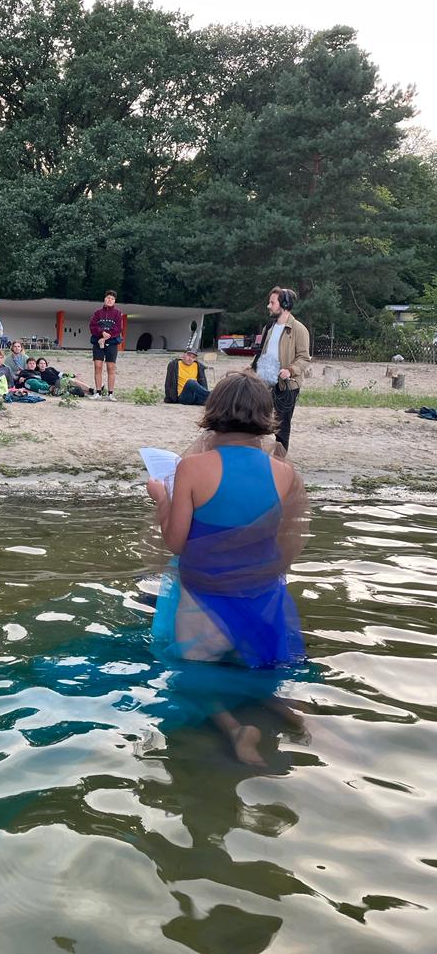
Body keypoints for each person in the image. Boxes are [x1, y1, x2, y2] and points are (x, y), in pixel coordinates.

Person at [146, 371, 308, 765]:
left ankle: (235, 730)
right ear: (265, 417)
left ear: (213, 412)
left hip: (204, 596)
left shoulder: (192, 468)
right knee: (249, 671)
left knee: (189, 675)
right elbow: (284, 544)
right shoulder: (285, 473)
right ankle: (286, 711)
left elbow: (177, 542)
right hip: (262, 598)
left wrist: (161, 498)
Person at [252, 287, 311, 451]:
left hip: (287, 385)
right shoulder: (268, 328)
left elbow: (304, 358)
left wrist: (290, 370)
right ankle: (256, 455)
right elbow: (262, 354)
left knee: (282, 427)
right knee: (255, 420)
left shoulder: (299, 329)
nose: (268, 306)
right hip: (264, 383)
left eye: (272, 302)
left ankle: (280, 462)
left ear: (284, 304)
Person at [89, 289, 124, 401]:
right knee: (98, 366)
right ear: (105, 299)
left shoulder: (118, 313)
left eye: (112, 299)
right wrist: (101, 333)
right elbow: (92, 326)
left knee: (111, 367)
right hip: (98, 343)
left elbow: (118, 328)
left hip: (112, 343)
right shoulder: (97, 313)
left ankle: (110, 394)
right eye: (108, 298)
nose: (110, 300)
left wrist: (105, 337)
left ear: (115, 301)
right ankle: (98, 392)